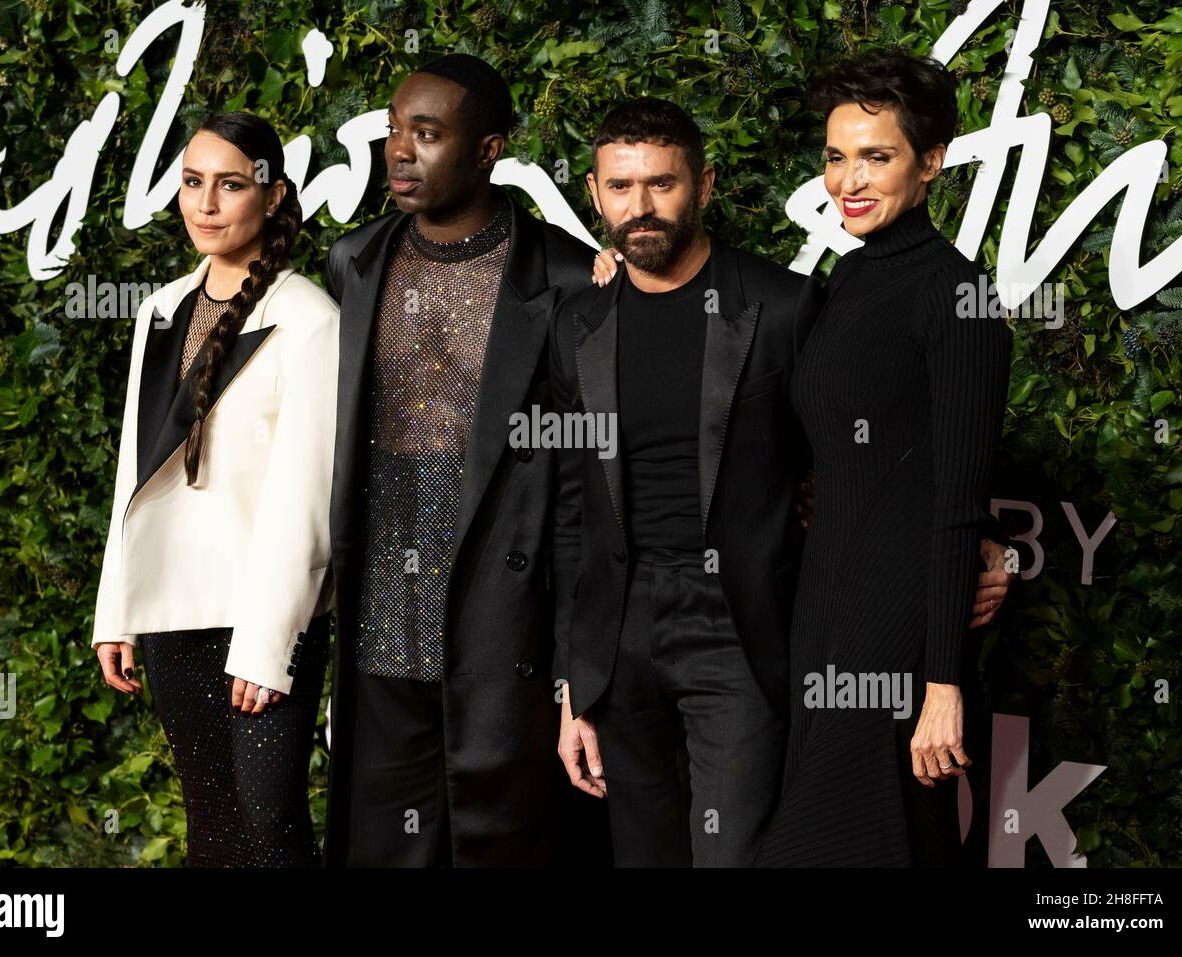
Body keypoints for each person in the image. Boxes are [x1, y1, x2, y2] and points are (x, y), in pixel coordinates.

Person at [557, 97, 1014, 867]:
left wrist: (976, 543)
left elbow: (891, 447)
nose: (640, 206)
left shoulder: (787, 304)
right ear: (596, 196)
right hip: (635, 643)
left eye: (662, 184)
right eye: (621, 187)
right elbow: (574, 512)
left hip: (753, 632)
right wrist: (575, 680)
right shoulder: (579, 323)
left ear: (703, 185)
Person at [320, 54, 608, 866]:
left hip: (496, 598)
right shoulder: (355, 262)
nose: (400, 153)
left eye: (428, 134)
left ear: (488, 148)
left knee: (501, 836)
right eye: (393, 132)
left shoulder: (562, 274)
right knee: (383, 838)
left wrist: (572, 662)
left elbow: (587, 489)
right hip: (380, 591)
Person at [756, 49, 1013, 867]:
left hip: (895, 629)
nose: (848, 180)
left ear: (931, 162)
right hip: (823, 605)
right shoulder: (851, 277)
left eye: (878, 155)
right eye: (837, 156)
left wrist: (942, 685)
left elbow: (957, 498)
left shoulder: (956, 295)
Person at [91, 112, 338, 866]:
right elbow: (137, 470)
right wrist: (117, 611)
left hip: (265, 622)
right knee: (213, 826)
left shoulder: (308, 317)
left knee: (271, 825)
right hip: (173, 614)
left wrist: (269, 647)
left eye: (229, 184)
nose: (206, 203)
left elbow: (306, 502)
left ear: (271, 196)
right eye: (193, 183)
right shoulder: (160, 308)